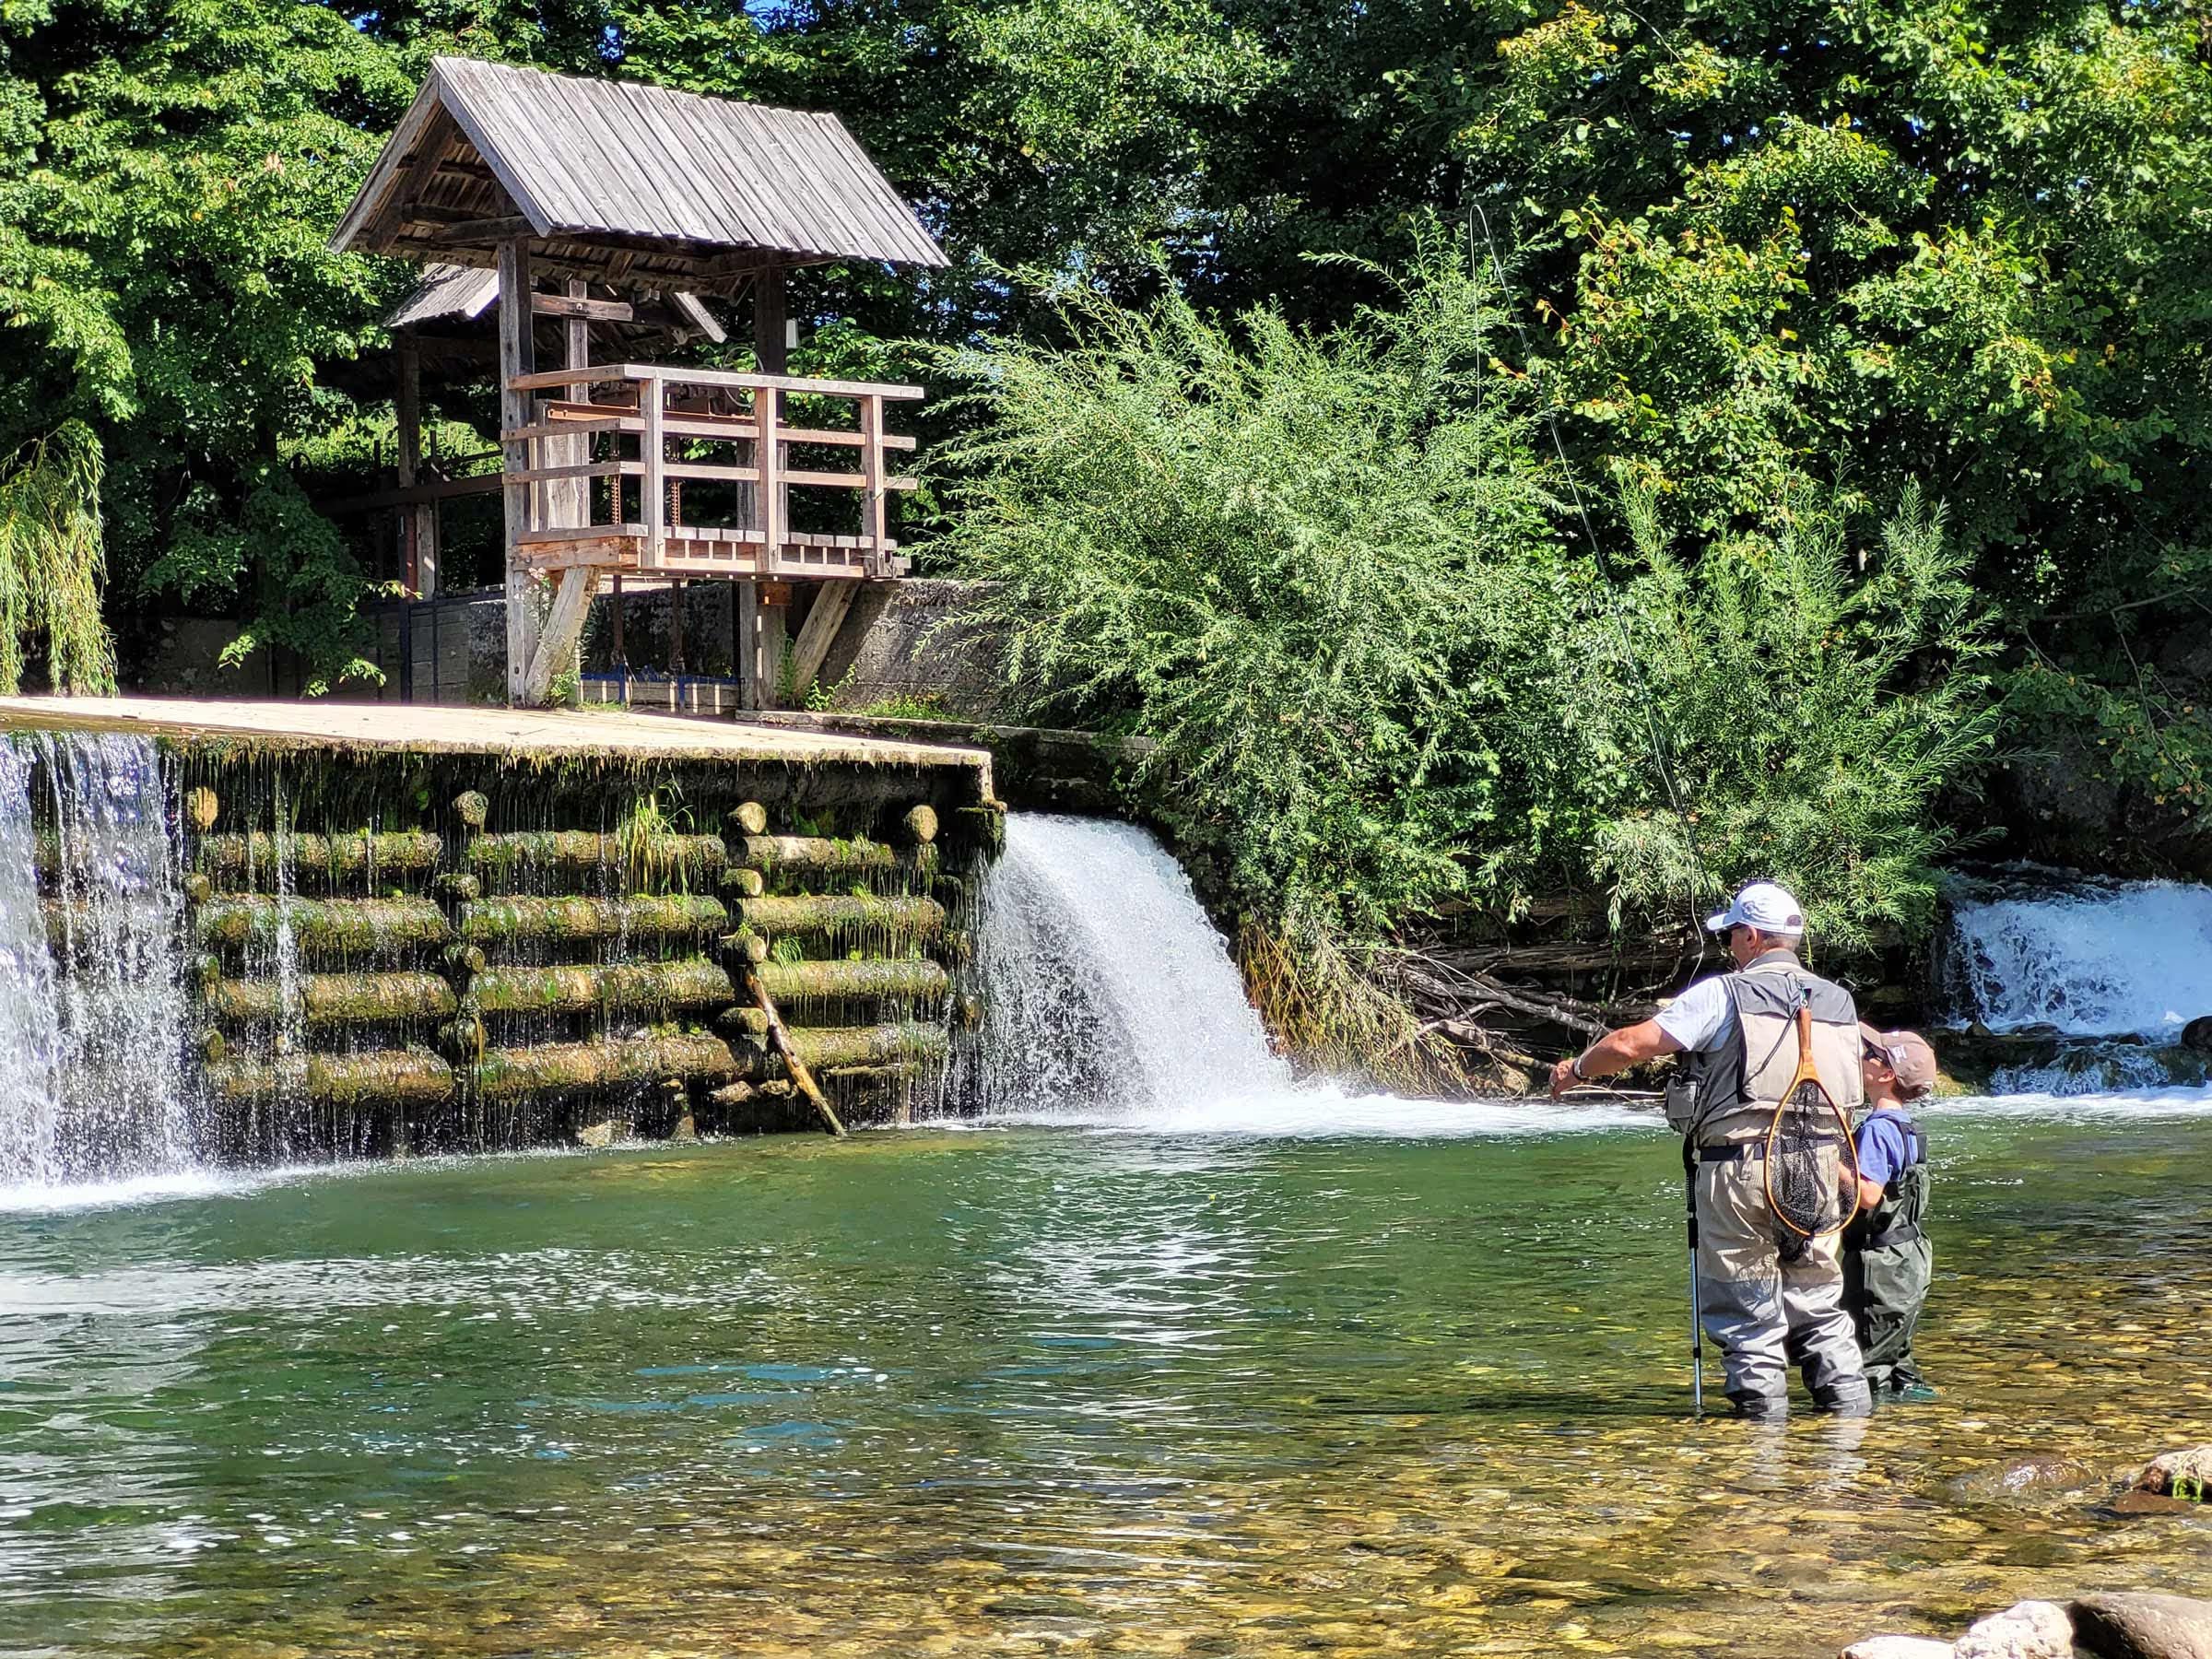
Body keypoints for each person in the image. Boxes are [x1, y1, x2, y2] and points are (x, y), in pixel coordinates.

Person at [1549, 880, 1872, 1420]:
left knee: (1747, 1307)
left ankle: (1759, 1449)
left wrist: (1576, 1070)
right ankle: (1849, 1433)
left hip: (1738, 1166)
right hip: (1820, 1168)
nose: (1729, 947)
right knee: (1818, 1300)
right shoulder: (1840, 1002)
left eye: (1732, 937)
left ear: (1750, 936)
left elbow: (1632, 1045)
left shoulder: (1722, 994)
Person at [1844, 1027, 1939, 1403]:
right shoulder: (1905, 1127)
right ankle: (1905, 1428)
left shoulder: (1878, 1131)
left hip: (1880, 1265)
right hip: (1909, 1257)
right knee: (1895, 1354)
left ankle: (1871, 1440)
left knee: (1868, 1361)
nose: (1862, 1057)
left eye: (1871, 1054)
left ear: (1886, 1075)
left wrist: (1830, 1159)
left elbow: (1868, 1195)